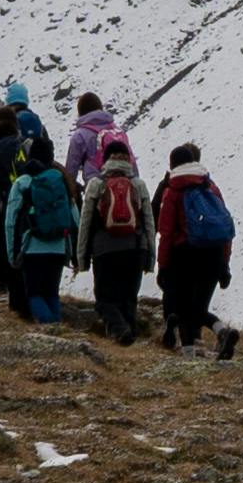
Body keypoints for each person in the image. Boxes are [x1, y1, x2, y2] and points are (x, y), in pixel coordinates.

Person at [153, 143, 238, 354]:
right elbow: (224, 227)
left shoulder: (172, 191)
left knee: (182, 308)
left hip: (185, 253)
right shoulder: (210, 187)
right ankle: (222, 332)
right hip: (214, 253)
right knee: (199, 308)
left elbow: (166, 233)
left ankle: (188, 354)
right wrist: (224, 264)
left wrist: (163, 266)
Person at [79, 137, 157, 340]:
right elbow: (149, 223)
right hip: (135, 248)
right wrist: (150, 257)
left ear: (104, 161)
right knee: (129, 298)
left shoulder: (97, 184)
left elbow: (85, 223)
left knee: (105, 298)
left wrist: (82, 258)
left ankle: (119, 331)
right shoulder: (138, 184)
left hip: (104, 249)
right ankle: (128, 335)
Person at [0, 142, 83, 324]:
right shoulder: (61, 180)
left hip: (32, 246)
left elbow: (11, 221)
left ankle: (50, 326)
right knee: (51, 293)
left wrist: (12, 253)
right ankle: (57, 326)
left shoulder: (22, 182)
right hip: (59, 248)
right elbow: (75, 219)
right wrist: (75, 252)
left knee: (34, 294)